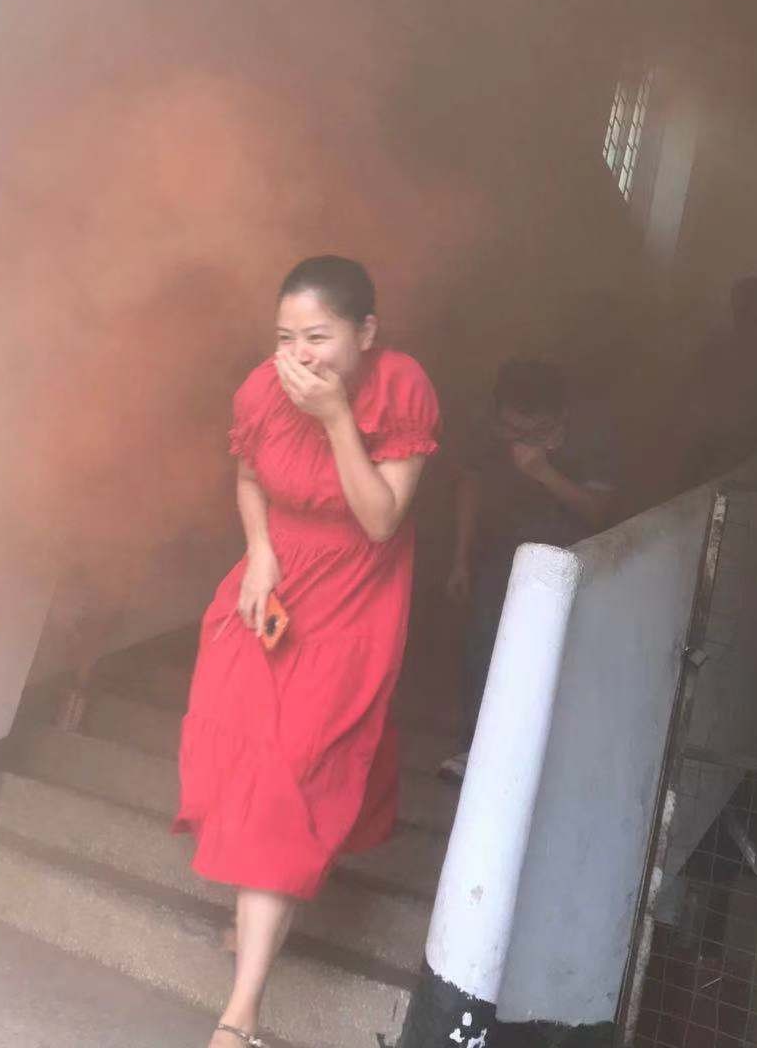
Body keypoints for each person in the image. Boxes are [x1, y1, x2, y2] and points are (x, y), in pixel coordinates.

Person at [173, 255, 440, 1048]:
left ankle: (239, 1017)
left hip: (352, 603)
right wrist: (259, 553)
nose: (298, 355)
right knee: (244, 764)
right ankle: (258, 916)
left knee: (291, 774)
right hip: (270, 588)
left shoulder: (401, 388)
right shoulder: (262, 388)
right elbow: (249, 476)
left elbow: (381, 519)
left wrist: (334, 418)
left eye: (318, 337)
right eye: (285, 336)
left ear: (366, 332)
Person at [439, 359, 617, 781]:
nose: (515, 439)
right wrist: (460, 559)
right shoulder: (489, 428)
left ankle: (549, 761)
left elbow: (601, 512)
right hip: (500, 553)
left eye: (530, 431)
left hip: (569, 562)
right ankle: (476, 752)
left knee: (554, 661)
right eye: (510, 428)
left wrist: (542, 472)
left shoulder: (592, 436)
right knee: (483, 650)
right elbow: (470, 487)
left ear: (559, 417)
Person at [682, 275, 757, 486]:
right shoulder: (715, 343)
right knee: (707, 491)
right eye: (738, 301)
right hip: (715, 438)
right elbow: (694, 385)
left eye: (748, 302)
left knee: (737, 493)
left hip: (751, 442)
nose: (740, 308)